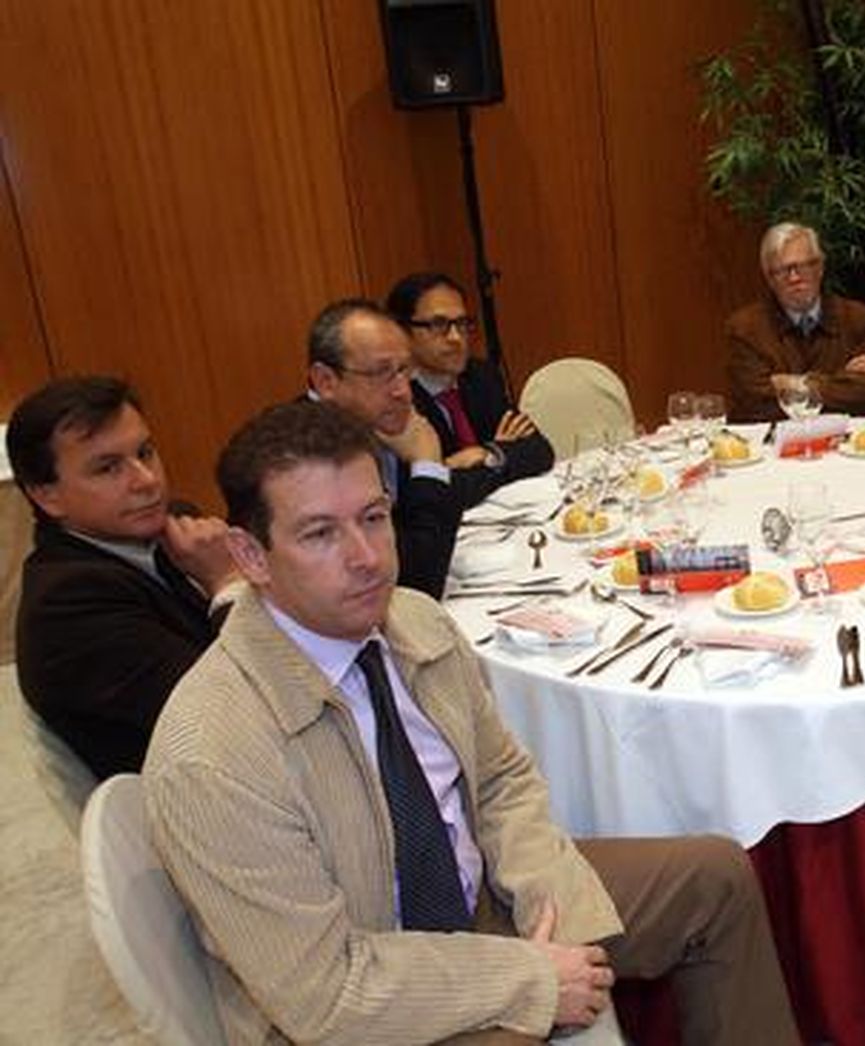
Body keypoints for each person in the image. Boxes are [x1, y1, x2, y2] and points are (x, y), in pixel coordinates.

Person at [144, 399, 801, 1045]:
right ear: (250, 556)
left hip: (483, 903)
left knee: (714, 878)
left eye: (374, 518)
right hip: (363, 998)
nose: (367, 556)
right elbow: (325, 994)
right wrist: (528, 978)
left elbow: (500, 782)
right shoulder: (212, 752)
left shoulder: (416, 621)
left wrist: (554, 907)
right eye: (320, 534)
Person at [8, 376, 235, 778]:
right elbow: (231, 712)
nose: (146, 480)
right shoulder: (68, 605)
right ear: (47, 495)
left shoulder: (172, 527)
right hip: (208, 806)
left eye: (145, 453)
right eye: (108, 468)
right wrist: (228, 584)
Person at [307, 297, 478, 599]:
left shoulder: (378, 420)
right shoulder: (308, 457)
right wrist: (427, 465)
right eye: (382, 373)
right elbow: (418, 584)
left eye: (404, 371)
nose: (402, 391)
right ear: (326, 381)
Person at [385, 271, 554, 483]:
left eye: (462, 323)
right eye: (439, 325)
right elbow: (427, 491)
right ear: (401, 332)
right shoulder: (397, 399)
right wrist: (500, 456)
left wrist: (488, 454)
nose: (456, 338)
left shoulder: (481, 376)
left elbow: (540, 451)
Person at [725, 221, 865, 421]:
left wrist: (792, 384)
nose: (794, 278)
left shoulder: (858, 318)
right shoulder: (744, 328)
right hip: (772, 446)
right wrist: (840, 380)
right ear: (769, 279)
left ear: (820, 267)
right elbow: (754, 404)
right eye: (783, 270)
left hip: (844, 444)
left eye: (802, 266)